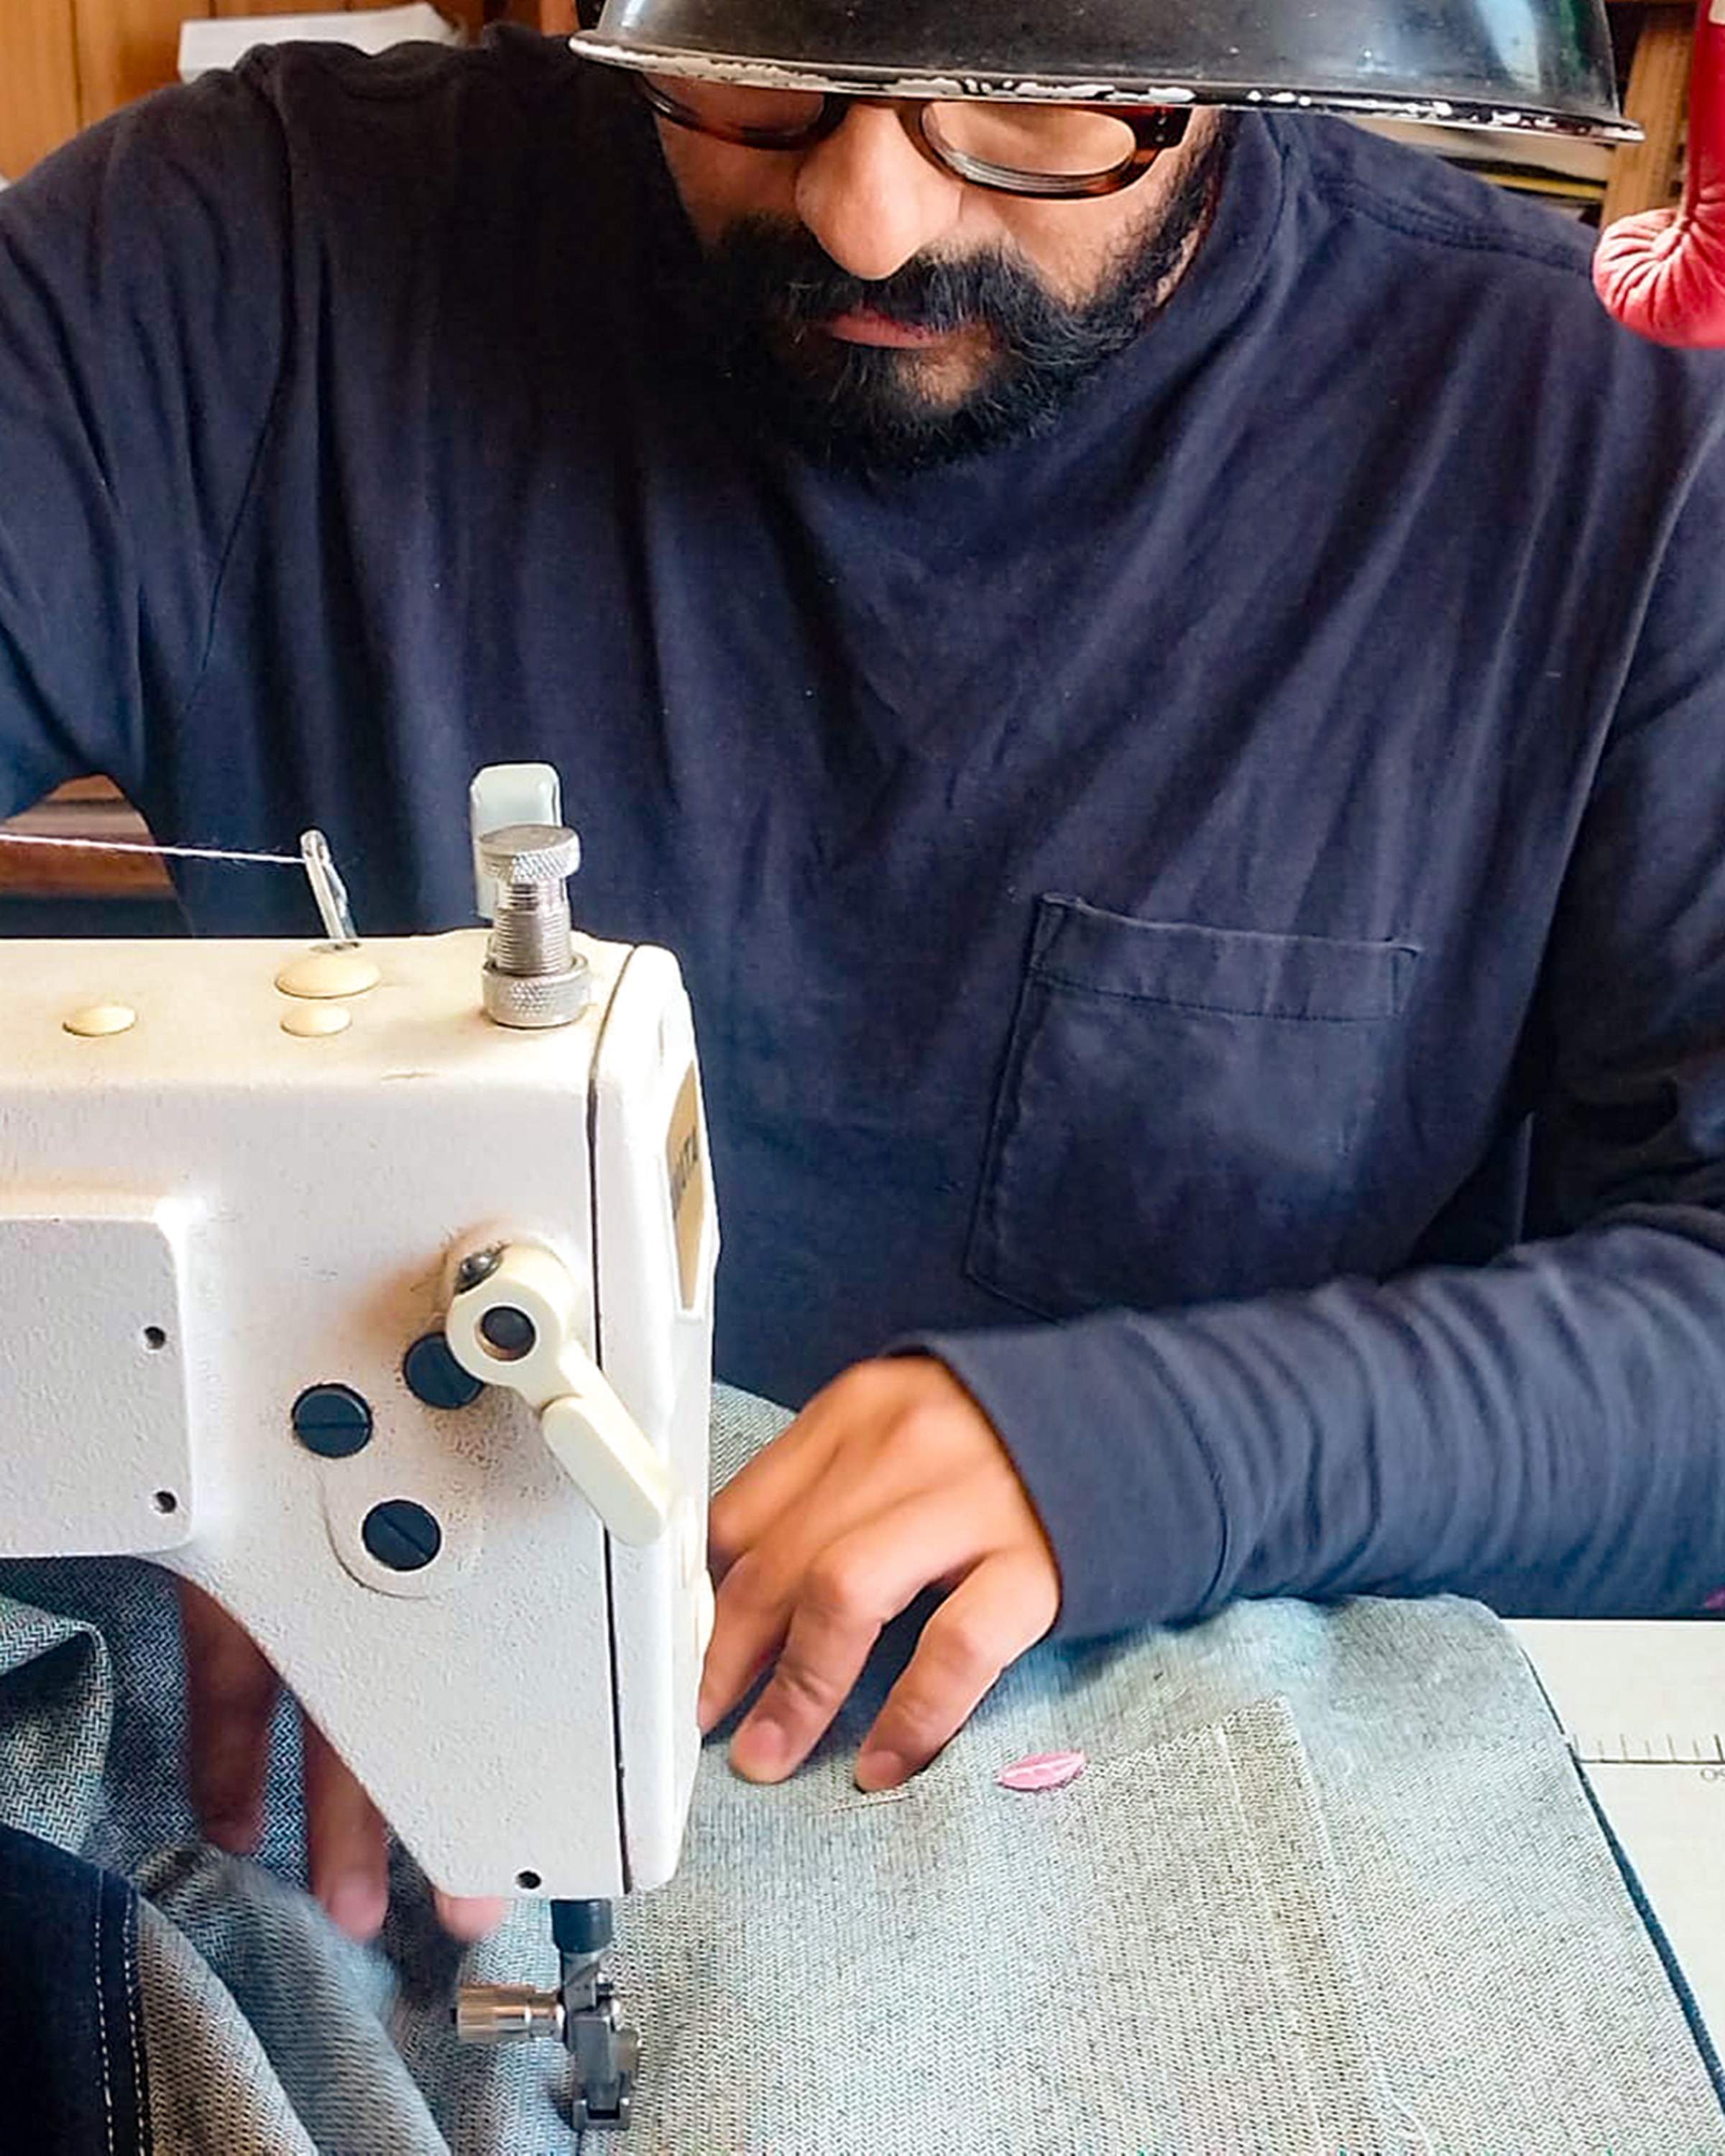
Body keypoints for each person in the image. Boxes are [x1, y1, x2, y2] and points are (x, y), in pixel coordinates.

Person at [4, 17, 1725, 1954]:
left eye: (1023, 85)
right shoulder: (233, 263)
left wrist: (1201, 1442)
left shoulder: (1600, 444)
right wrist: (151, 1398)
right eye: (762, 61)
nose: (869, 211)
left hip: (1204, 1859)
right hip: (362, 1779)